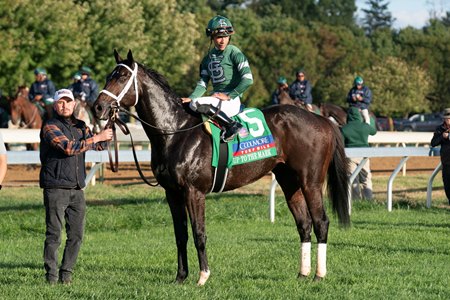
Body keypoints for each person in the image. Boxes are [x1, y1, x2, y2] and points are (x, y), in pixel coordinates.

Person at [40, 88, 113, 284]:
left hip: (77, 188)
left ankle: (67, 274)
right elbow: (68, 148)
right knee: (54, 234)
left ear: (74, 104)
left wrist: (107, 130)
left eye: (68, 102)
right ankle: (51, 277)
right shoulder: (50, 126)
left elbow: (98, 146)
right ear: (55, 105)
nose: (64, 105)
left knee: (76, 235)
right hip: (55, 187)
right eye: (60, 102)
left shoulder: (81, 126)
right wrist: (97, 138)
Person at [181, 15, 253, 142]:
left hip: (232, 100)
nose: (222, 41)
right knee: (190, 104)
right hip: (217, 100)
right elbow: (203, 84)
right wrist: (191, 97)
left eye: (225, 37)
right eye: (219, 37)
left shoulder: (234, 52)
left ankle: (232, 126)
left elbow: (248, 79)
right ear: (212, 37)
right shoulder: (207, 59)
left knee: (196, 103)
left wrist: (230, 95)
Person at [341, 107, 377, 200]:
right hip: (364, 156)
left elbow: (341, 142)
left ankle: (356, 201)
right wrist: (367, 119)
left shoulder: (344, 129)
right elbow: (374, 131)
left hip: (350, 156)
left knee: (353, 179)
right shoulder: (365, 126)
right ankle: (368, 200)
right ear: (358, 116)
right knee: (366, 178)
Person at [431, 108, 450, 205]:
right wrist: (442, 136)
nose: (449, 121)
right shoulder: (440, 129)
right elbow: (433, 143)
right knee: (447, 185)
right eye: (447, 119)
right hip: (446, 161)